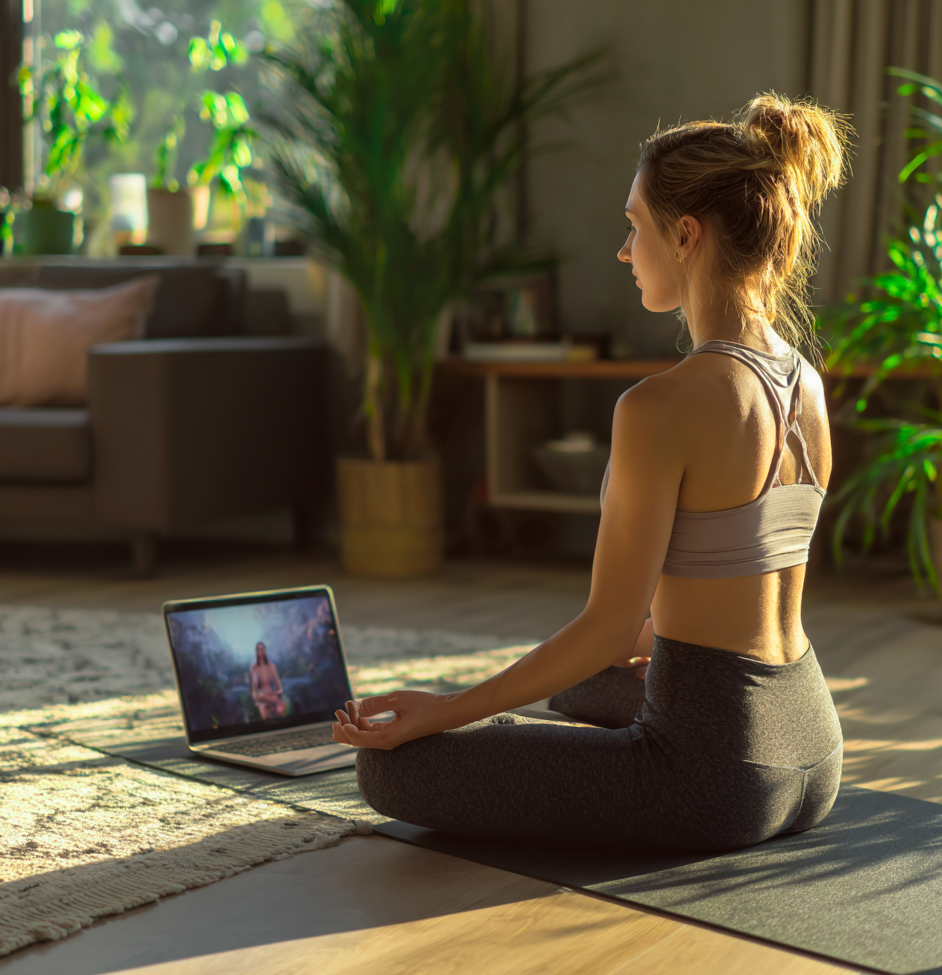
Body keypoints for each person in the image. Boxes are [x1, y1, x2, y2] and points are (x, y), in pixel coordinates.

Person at [333, 94, 851, 854]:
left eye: (634, 226)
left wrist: (444, 711)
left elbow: (605, 624)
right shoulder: (804, 381)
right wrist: (646, 634)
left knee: (394, 773)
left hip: (715, 779)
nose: (623, 250)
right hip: (812, 744)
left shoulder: (658, 406)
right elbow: (734, 571)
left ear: (685, 235)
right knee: (581, 683)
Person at [250, 641, 286, 719]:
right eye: (258, 650)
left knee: (281, 709)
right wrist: (256, 698)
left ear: (265, 650)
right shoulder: (254, 667)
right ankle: (275, 701)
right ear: (256, 652)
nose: (260, 652)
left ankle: (275, 701)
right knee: (263, 707)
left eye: (262, 649)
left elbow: (279, 685)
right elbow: (254, 686)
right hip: (262, 697)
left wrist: (277, 692)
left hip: (272, 695)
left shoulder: (271, 666)